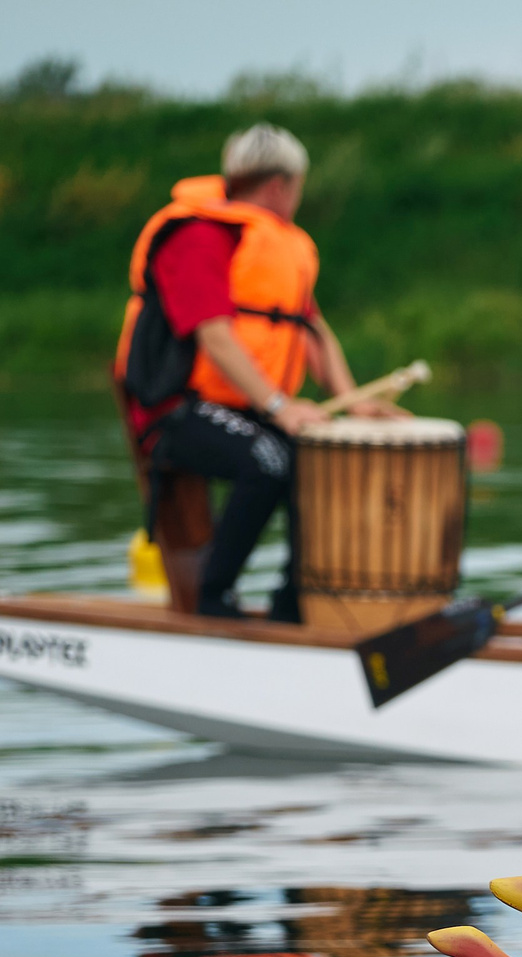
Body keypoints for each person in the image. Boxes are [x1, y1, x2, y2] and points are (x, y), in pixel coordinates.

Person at [113, 124, 403, 621]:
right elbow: (214, 337)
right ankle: (212, 597)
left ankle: (295, 603)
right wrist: (279, 407)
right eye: (298, 187)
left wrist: (353, 402)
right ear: (279, 186)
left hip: (239, 407)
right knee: (269, 461)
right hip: (175, 410)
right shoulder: (199, 236)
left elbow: (312, 331)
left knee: (319, 460)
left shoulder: (275, 245)